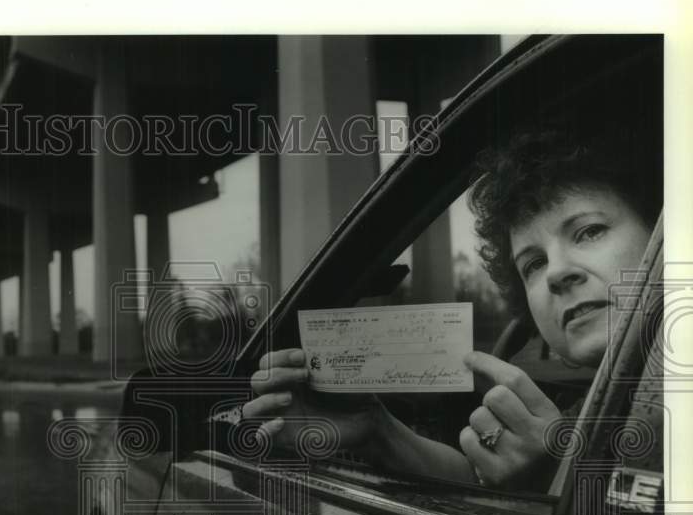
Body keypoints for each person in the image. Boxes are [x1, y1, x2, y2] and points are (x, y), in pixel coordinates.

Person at [242, 129, 661, 492]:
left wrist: (560, 477)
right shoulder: (600, 400)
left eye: (589, 232)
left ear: (664, 234)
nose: (556, 273)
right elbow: (483, 482)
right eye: (533, 264)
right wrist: (377, 430)